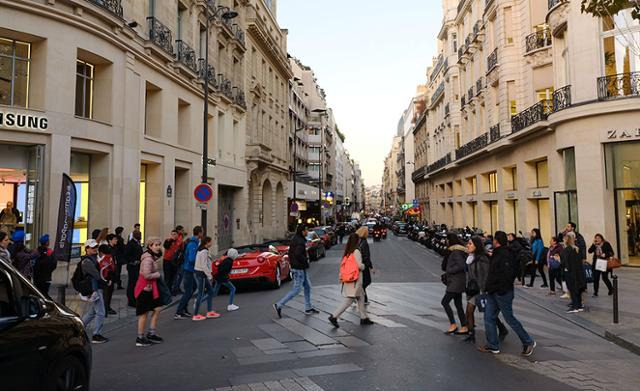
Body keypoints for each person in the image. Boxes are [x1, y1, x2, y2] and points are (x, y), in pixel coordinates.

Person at [479, 231, 536, 356]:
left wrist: (501, 289)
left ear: (497, 241)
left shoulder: (505, 254)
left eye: (494, 239)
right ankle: (493, 345)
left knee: (509, 319)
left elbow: (507, 274)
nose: (492, 241)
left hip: (502, 292)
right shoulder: (498, 253)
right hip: (494, 291)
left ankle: (528, 341)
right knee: (489, 318)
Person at [273, 225, 319, 318]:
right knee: (296, 289)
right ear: (302, 231)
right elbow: (298, 254)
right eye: (306, 230)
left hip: (299, 267)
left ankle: (308, 307)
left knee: (308, 287)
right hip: (298, 268)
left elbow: (292, 253)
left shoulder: (296, 239)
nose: (307, 232)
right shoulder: (300, 241)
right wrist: (305, 260)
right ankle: (279, 305)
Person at [328, 233, 373, 327]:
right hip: (355, 280)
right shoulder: (356, 251)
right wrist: (364, 266)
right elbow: (359, 266)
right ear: (357, 241)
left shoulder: (348, 251)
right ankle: (334, 316)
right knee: (350, 299)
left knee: (361, 297)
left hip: (349, 279)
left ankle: (364, 317)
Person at [134, 237, 165, 347]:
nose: (158, 247)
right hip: (145, 289)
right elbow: (146, 274)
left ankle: (151, 333)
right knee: (143, 314)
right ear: (150, 246)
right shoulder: (147, 259)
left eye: (159, 245)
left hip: (151, 288)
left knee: (157, 309)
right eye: (155, 245)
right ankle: (140, 337)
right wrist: (158, 275)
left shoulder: (151, 257)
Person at [81, 239, 109, 344]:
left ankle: (79, 327)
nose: (95, 249)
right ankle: (96, 334)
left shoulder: (94, 258)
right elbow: (96, 275)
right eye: (92, 247)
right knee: (101, 312)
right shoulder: (87, 261)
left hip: (96, 288)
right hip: (94, 289)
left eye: (96, 247)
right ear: (87, 249)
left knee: (92, 312)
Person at [463, 236, 490, 343]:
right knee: (472, 311)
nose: (467, 245)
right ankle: (471, 334)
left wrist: (483, 290)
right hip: (472, 289)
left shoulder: (482, 259)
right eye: (468, 243)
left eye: (470, 244)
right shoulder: (470, 257)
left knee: (472, 310)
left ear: (476, 246)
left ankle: (471, 333)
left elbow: (485, 275)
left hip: (480, 289)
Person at [441, 233, 468, 335]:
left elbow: (461, 265)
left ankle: (453, 324)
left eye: (447, 239)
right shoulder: (458, 250)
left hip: (456, 282)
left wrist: (449, 270)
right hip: (458, 281)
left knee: (445, 302)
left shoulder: (455, 252)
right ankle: (464, 326)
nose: (446, 242)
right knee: (458, 304)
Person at [174, 226, 203, 319]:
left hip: (188, 269)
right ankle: (178, 312)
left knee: (193, 287)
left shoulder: (194, 242)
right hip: (187, 270)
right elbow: (191, 259)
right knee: (188, 291)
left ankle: (184, 309)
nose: (202, 234)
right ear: (199, 233)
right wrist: (199, 261)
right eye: (202, 232)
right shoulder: (193, 244)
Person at [192, 236, 219, 321]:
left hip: (201, 273)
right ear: (207, 242)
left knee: (211, 292)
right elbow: (204, 265)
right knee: (201, 293)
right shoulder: (204, 251)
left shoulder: (202, 249)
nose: (211, 243)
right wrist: (210, 276)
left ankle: (210, 311)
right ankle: (196, 314)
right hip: (202, 274)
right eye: (210, 242)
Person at [558, 231, 586, 313]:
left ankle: (575, 306)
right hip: (578, 272)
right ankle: (579, 305)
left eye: (564, 239)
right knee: (578, 289)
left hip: (570, 272)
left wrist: (558, 260)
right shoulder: (576, 248)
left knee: (572, 289)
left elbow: (565, 262)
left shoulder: (566, 250)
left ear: (566, 240)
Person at [211, 248, 239, 312]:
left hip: (219, 277)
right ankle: (230, 305)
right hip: (222, 278)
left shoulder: (226, 260)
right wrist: (226, 278)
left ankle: (199, 301)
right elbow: (223, 271)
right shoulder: (229, 261)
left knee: (214, 293)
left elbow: (220, 268)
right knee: (233, 289)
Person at [125, 230, 144, 307]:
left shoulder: (137, 243)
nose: (141, 236)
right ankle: (131, 300)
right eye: (139, 234)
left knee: (136, 283)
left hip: (138, 266)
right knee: (132, 283)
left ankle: (136, 298)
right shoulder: (131, 243)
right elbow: (126, 254)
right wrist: (133, 261)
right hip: (132, 266)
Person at [162, 229, 183, 295]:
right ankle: (166, 292)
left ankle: (171, 290)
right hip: (167, 261)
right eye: (172, 234)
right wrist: (171, 240)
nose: (173, 236)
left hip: (174, 261)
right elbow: (166, 246)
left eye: (175, 234)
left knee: (173, 277)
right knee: (167, 277)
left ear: (177, 235)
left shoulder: (179, 242)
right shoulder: (168, 241)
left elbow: (181, 250)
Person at [356, 226, 373, 304]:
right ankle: (360, 297)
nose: (368, 232)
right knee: (366, 282)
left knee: (363, 282)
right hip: (364, 266)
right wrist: (370, 267)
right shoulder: (364, 242)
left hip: (360, 265)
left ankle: (363, 298)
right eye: (367, 231)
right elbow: (366, 256)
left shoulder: (359, 241)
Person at [98, 243, 117, 316]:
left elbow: (105, 270)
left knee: (104, 296)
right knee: (108, 295)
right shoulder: (110, 257)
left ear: (101, 252)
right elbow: (113, 268)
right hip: (110, 279)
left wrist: (108, 280)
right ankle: (106, 310)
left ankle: (104, 312)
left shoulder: (103, 259)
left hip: (105, 279)